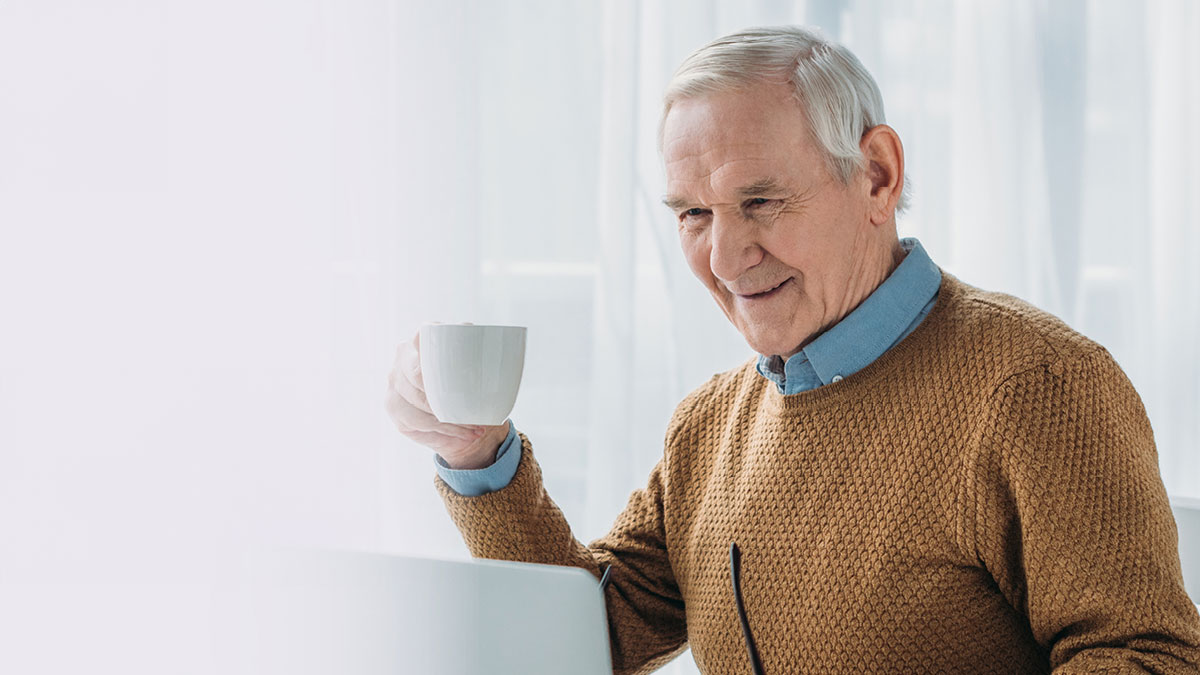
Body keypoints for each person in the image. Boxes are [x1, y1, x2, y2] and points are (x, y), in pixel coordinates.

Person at [385, 25, 1200, 674]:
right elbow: (593, 632)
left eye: (762, 199)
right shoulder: (707, 424)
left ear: (877, 176)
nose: (725, 255)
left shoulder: (1038, 384)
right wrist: (476, 450)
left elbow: (1149, 657)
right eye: (693, 215)